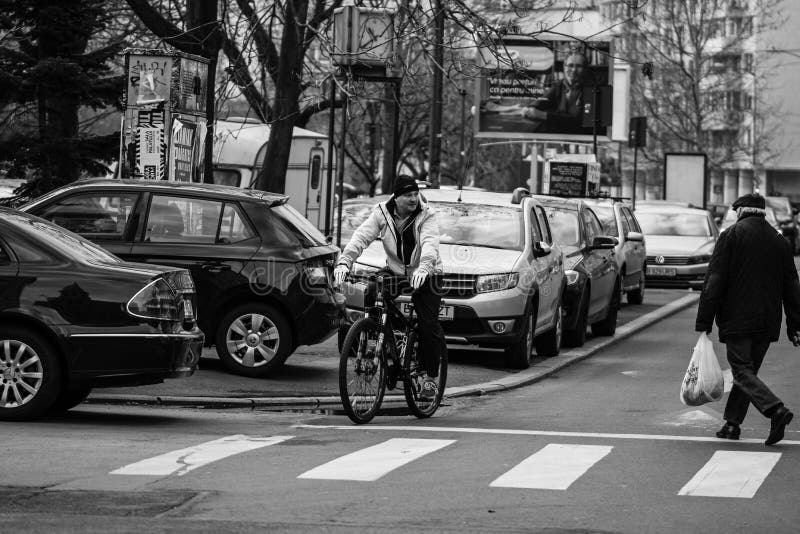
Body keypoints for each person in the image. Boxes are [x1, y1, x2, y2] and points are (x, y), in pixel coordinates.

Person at [695, 193, 800, 445]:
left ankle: (775, 410)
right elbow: (792, 287)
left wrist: (704, 320)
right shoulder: (779, 241)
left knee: (742, 372)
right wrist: (795, 326)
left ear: (741, 211)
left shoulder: (731, 236)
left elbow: (715, 280)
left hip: (737, 318)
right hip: (768, 320)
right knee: (747, 372)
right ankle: (732, 425)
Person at [333, 175, 446, 400]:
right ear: (397, 197)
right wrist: (345, 262)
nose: (413, 199)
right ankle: (376, 344)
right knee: (372, 291)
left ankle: (430, 378)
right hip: (396, 271)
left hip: (428, 273)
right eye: (408, 195)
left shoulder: (427, 215)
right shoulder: (382, 213)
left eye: (415, 194)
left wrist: (424, 268)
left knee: (428, 324)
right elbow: (361, 237)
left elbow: (430, 244)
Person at [523, 51, 591, 134]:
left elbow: (578, 120)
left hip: (581, 135)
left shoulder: (591, 89)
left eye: (579, 66)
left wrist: (544, 115)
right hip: (559, 133)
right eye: (570, 65)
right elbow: (542, 101)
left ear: (585, 69)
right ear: (564, 67)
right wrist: (530, 108)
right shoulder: (559, 84)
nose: (574, 70)